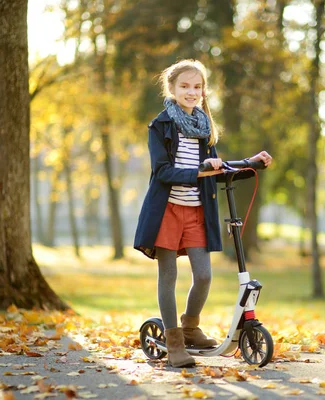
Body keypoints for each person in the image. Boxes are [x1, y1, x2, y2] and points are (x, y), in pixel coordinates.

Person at [133, 59, 272, 368]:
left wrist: (251, 162)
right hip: (167, 210)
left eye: (197, 87)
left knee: (205, 276)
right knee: (168, 276)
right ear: (171, 89)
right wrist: (200, 170)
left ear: (204, 91)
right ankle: (174, 340)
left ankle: (191, 327)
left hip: (197, 210)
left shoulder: (204, 127)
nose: (191, 92)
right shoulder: (161, 126)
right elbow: (162, 171)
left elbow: (216, 169)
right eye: (184, 86)